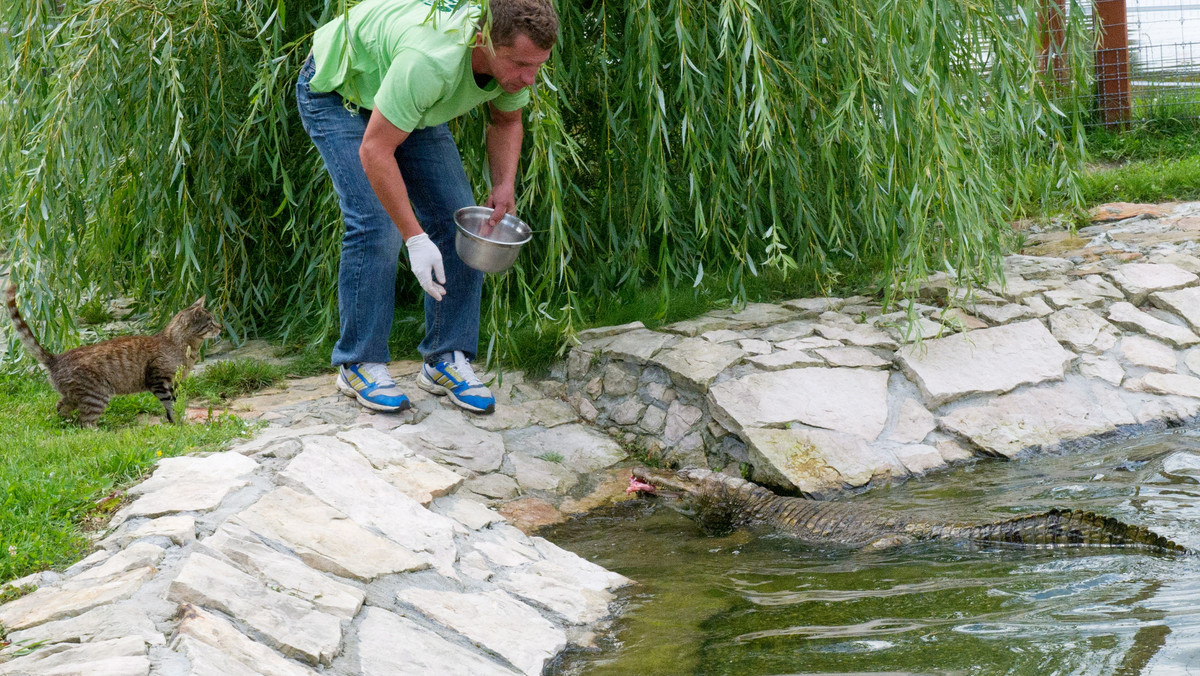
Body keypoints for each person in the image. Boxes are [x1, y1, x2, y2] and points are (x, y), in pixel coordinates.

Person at [296, 0, 557, 415]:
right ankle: (358, 363)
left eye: (537, 66)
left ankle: (445, 358)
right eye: (521, 64)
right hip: (341, 90)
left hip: (405, 100)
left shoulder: (514, 64)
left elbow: (505, 122)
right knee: (376, 223)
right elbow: (376, 149)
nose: (529, 78)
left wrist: (503, 184)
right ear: (482, 39)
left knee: (461, 218)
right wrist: (415, 239)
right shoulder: (430, 62)